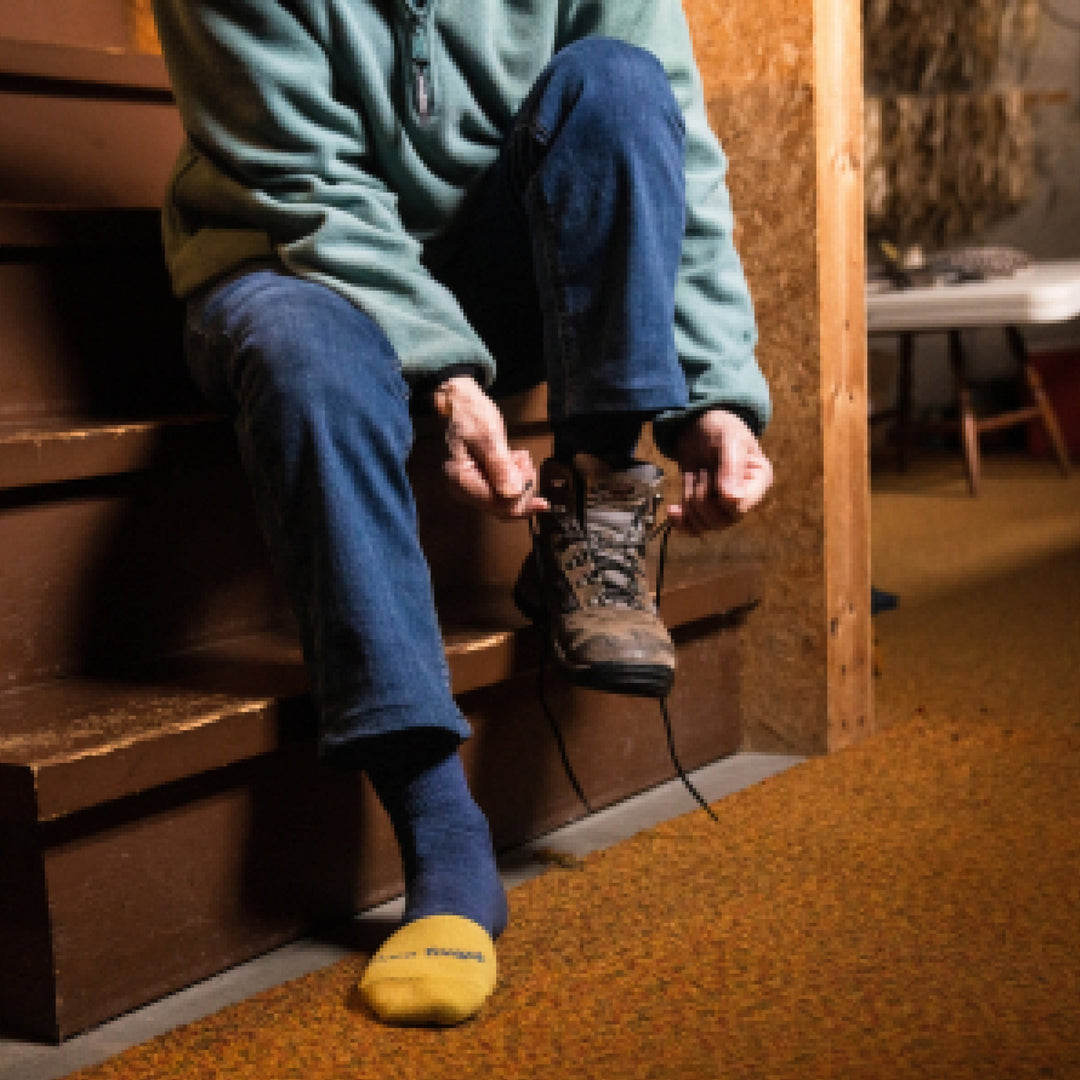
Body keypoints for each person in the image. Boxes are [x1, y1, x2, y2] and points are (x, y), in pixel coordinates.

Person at [149, 0, 773, 1027]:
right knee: (311, 361)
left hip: (495, 265)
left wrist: (712, 389)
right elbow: (304, 183)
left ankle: (594, 500)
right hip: (286, 248)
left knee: (619, 81)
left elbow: (678, 162)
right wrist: (440, 366)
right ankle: (441, 833)